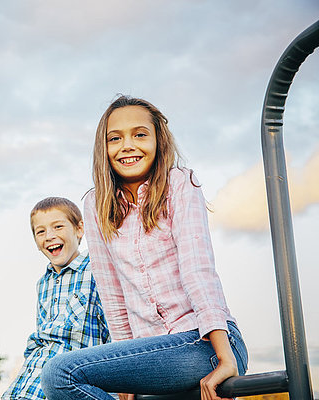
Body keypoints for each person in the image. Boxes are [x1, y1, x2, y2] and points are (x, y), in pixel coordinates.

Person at [40, 96, 248, 400]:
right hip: (151, 354)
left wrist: (226, 357)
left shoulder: (179, 184)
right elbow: (114, 297)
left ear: (157, 141)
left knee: (59, 372)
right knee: (58, 376)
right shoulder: (95, 206)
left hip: (204, 343)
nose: (127, 145)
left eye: (139, 134)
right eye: (115, 138)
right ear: (104, 149)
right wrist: (125, 383)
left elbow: (198, 272)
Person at [2, 197, 111, 400]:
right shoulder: (43, 284)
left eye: (58, 226)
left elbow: (114, 329)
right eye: (40, 231)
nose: (49, 236)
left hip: (69, 379)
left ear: (79, 229)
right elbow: (42, 337)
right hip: (30, 379)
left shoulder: (96, 268)